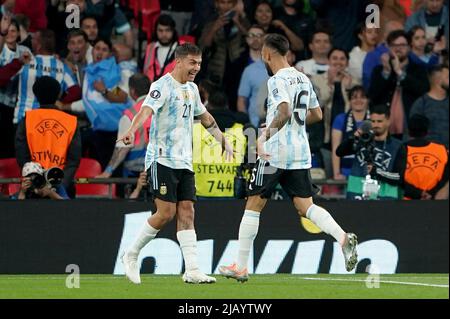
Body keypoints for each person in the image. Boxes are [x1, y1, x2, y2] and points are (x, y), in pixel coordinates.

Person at [218, 34, 358, 283]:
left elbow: (283, 111)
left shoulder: (276, 80)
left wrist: (263, 136)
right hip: (300, 151)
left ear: (267, 54)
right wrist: (290, 122)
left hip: (275, 150)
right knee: (306, 207)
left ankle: (240, 266)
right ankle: (343, 237)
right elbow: (315, 114)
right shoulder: (302, 77)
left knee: (254, 204)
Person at [119, 43, 234, 284]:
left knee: (187, 211)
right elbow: (146, 111)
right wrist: (131, 130)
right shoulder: (161, 86)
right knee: (165, 213)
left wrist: (224, 141)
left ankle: (192, 269)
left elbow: (205, 117)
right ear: (179, 61)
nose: (196, 68)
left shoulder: (192, 89)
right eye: (193, 63)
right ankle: (130, 254)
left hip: (184, 161)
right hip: (162, 158)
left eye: (199, 63)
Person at [15, 76, 81, 198]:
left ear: (36, 95)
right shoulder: (71, 121)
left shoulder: (27, 120)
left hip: (33, 187)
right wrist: (58, 185)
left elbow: (21, 155)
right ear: (58, 95)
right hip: (62, 188)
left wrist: (34, 180)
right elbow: (74, 160)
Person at [368, 30, 429, 140]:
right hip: (384, 130)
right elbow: (372, 96)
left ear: (409, 47)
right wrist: (386, 72)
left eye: (402, 45)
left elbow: (423, 90)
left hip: (410, 129)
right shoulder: (379, 70)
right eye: (394, 45)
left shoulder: (419, 69)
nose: (398, 48)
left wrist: (399, 72)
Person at [336, 103, 404, 200]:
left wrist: (377, 172)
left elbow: (399, 177)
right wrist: (355, 137)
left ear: (388, 121)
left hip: (385, 199)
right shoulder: (362, 140)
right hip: (356, 196)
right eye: (373, 121)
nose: (376, 125)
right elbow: (339, 152)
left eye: (379, 121)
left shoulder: (398, 146)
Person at [97, 73, 152, 179]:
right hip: (162, 170)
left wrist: (107, 172)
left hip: (136, 173)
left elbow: (122, 148)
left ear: (132, 91)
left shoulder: (130, 116)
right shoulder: (163, 110)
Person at [402, 114, 448, 200]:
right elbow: (446, 177)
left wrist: (418, 194)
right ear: (427, 130)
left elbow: (397, 178)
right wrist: (431, 193)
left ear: (408, 130)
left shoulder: (400, 149)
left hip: (406, 202)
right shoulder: (442, 150)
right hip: (436, 202)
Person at [331, 85, 370, 180]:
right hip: (346, 171)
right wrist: (336, 173)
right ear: (349, 101)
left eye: (362, 97)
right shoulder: (340, 119)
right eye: (354, 97)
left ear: (368, 100)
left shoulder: (374, 120)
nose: (358, 100)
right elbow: (335, 148)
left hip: (368, 171)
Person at [410, 64, 449, 147]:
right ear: (438, 80)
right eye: (448, 77)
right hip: (429, 154)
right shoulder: (421, 104)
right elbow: (411, 135)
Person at [143, 14, 180, 82]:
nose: (164, 34)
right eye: (160, 31)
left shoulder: (184, 48)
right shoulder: (150, 48)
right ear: (156, 31)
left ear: (173, 31)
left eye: (167, 30)